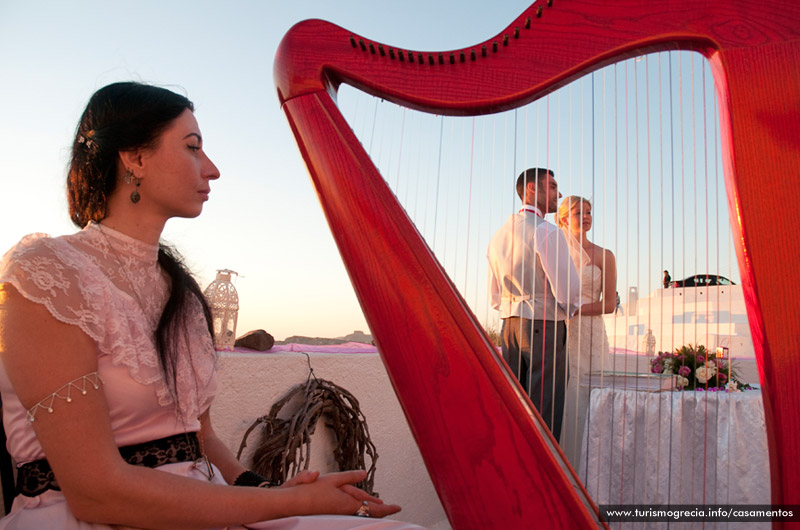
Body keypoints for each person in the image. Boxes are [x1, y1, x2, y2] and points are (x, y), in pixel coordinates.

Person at [0, 82, 421, 529]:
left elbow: (198, 439)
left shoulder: (178, 289)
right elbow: (95, 491)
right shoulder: (46, 274)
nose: (213, 169)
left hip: (205, 507)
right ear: (135, 157)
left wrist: (264, 489)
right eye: (193, 148)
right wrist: (288, 505)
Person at [487, 168, 581, 442]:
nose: (558, 194)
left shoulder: (498, 236)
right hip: (544, 326)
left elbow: (494, 296)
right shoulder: (546, 232)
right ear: (531, 189)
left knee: (514, 408)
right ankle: (544, 476)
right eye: (552, 187)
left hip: (509, 327)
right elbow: (569, 290)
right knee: (545, 413)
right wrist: (570, 309)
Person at [555, 196, 616, 472]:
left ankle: (591, 470)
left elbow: (609, 304)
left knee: (591, 396)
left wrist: (574, 311)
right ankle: (562, 469)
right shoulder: (556, 252)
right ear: (565, 218)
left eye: (590, 212)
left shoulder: (605, 255)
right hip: (560, 331)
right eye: (580, 212)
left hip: (590, 333)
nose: (587, 216)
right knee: (563, 395)